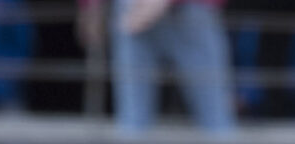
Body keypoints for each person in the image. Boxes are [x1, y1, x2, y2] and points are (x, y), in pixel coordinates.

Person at [84, 0, 237, 135]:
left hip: (191, 11)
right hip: (133, 11)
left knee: (216, 123)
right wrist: (91, 5)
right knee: (132, 125)